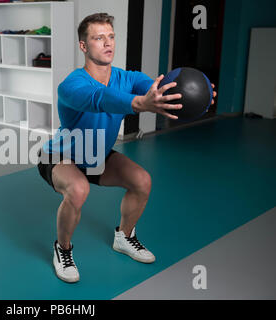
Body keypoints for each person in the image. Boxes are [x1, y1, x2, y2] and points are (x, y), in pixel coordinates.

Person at [37, 13, 216, 283]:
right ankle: (62, 249)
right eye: (98, 38)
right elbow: (100, 98)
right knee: (78, 189)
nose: (108, 43)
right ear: (84, 46)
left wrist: (195, 92)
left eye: (111, 37)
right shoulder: (72, 85)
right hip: (60, 155)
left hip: (97, 155)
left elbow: (162, 87)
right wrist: (139, 104)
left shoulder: (128, 78)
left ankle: (124, 236)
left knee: (142, 180)